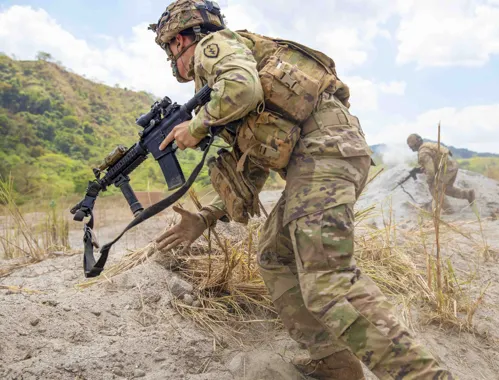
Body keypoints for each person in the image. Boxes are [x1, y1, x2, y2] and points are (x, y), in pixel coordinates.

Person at [151, 1, 455, 379]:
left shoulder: (215, 49)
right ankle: (334, 362)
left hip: (323, 156)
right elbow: (254, 161)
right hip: (324, 157)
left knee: (328, 283)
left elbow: (242, 90)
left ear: (180, 41)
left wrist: (195, 128)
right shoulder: (236, 70)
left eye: (170, 53)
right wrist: (204, 216)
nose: (174, 64)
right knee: (275, 256)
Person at [407, 134, 475, 214]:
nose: (411, 148)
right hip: (452, 165)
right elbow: (435, 160)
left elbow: (431, 171)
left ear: (414, 144)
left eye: (411, 146)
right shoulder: (427, 146)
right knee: (446, 188)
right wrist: (422, 168)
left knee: (434, 188)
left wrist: (429, 181)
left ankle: (449, 211)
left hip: (447, 168)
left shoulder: (422, 153)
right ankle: (468, 194)